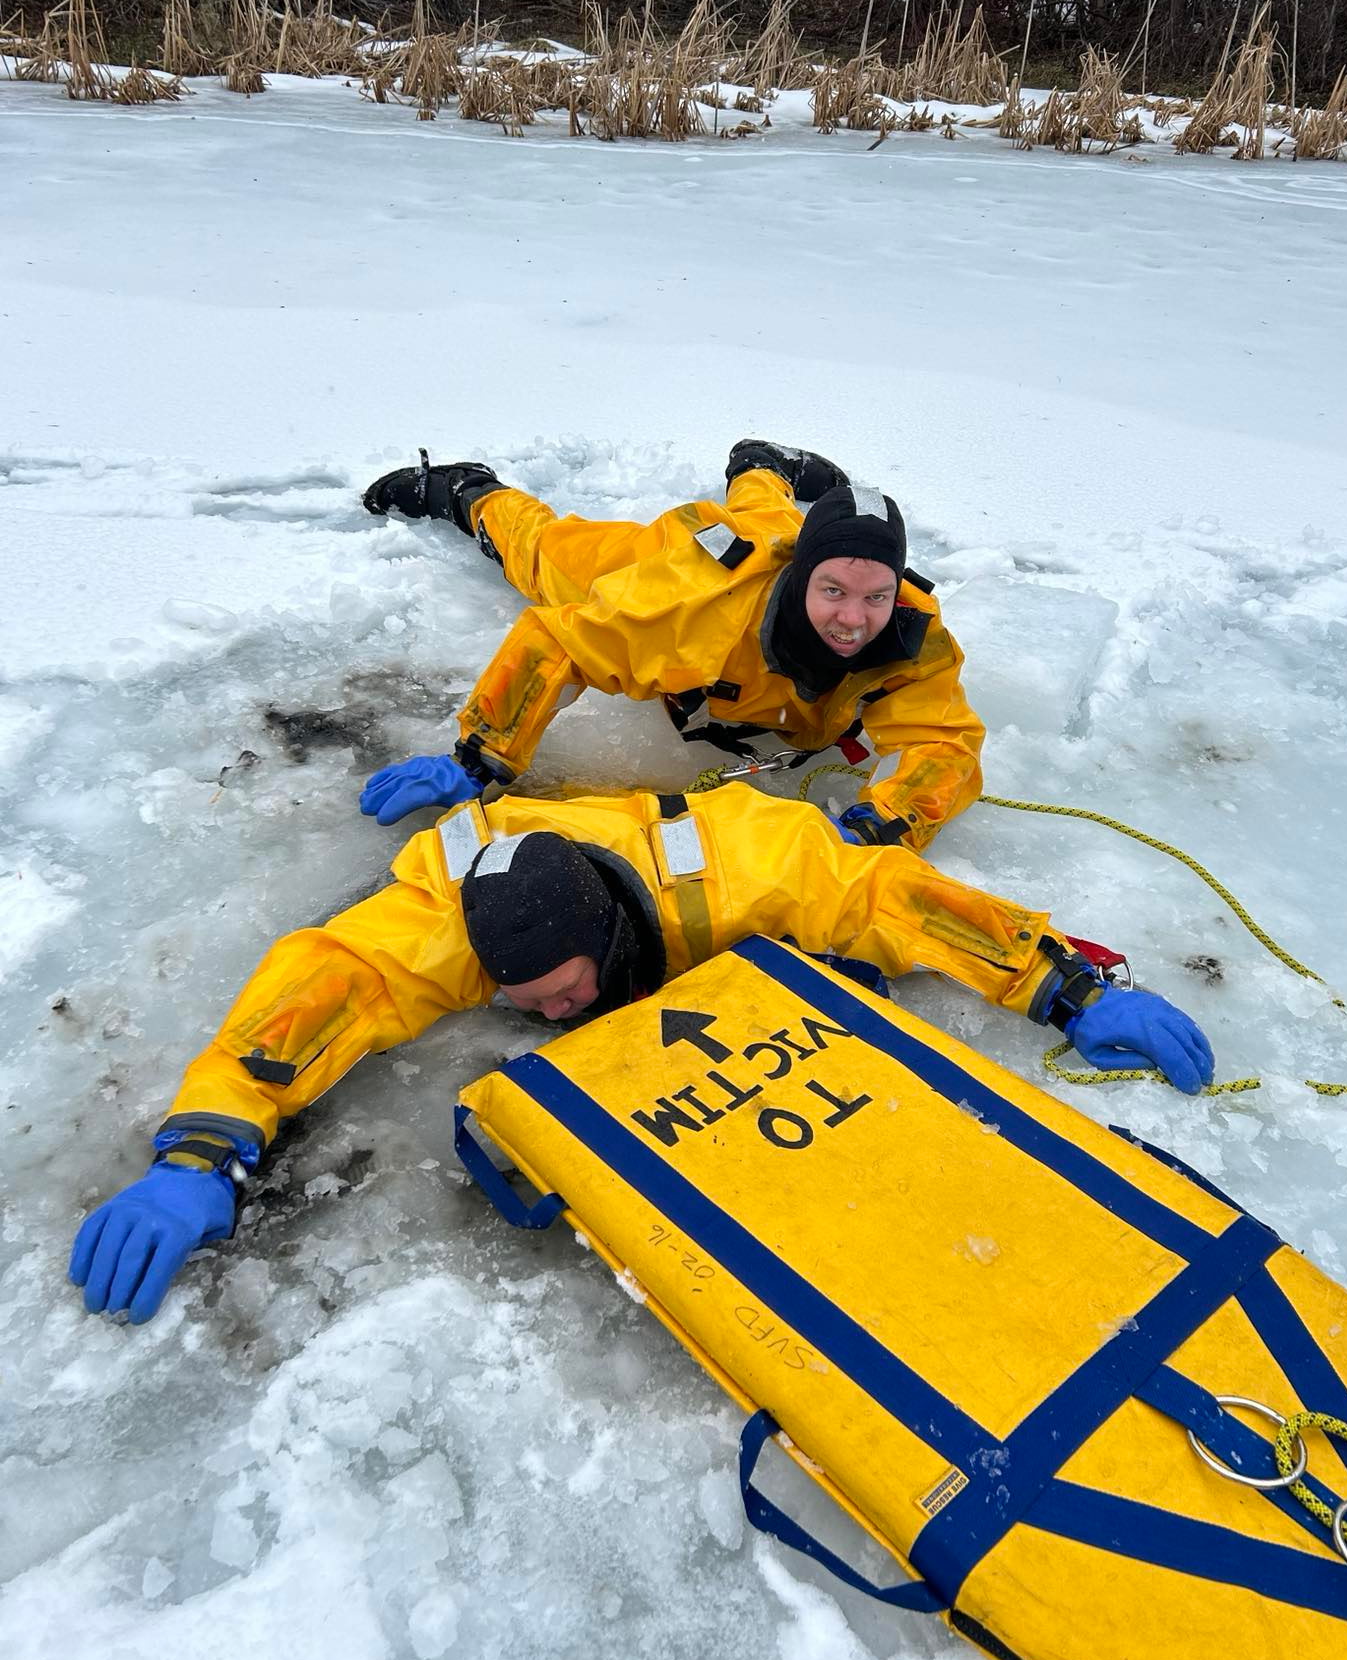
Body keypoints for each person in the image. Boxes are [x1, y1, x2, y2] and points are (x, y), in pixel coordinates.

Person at [68, 783, 1214, 1325]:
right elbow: (320, 992)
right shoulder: (448, 916)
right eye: (526, 1003)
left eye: (566, 994)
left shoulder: (744, 860)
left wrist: (1059, 984)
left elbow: (893, 896)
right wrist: (204, 1149)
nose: (555, 1014)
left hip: (686, 874)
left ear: (610, 941)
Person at [358, 442, 985, 852]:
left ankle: (761, 468)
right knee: (547, 555)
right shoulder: (686, 611)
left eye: (876, 595)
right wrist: (479, 758)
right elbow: (558, 642)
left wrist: (884, 826)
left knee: (772, 518)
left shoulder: (910, 634)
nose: (853, 619)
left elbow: (942, 743)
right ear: (802, 581)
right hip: (692, 559)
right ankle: (468, 490)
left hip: (781, 546)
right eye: (834, 591)